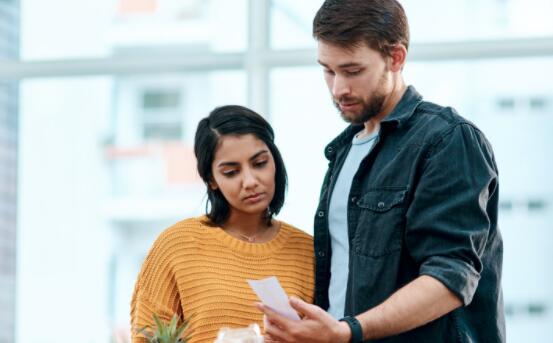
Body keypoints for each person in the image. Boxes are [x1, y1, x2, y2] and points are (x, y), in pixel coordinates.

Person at [258, 0, 505, 342]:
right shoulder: (344, 151)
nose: (338, 88)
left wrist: (348, 331)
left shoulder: (447, 140)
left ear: (396, 57)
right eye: (328, 70)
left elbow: (451, 277)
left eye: (353, 70)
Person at [130, 105, 315, 343]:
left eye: (259, 163)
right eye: (231, 172)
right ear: (211, 179)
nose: (250, 181)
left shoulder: (308, 251)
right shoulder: (177, 245)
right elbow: (147, 338)